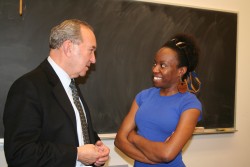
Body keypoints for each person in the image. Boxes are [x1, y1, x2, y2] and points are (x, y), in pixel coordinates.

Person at [3, 19, 110, 167]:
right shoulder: (28, 87)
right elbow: (20, 153)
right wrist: (77, 154)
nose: (93, 59)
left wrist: (96, 147)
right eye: (91, 50)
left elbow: (73, 130)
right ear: (68, 47)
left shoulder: (71, 85)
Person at [114, 33, 202, 167]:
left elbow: (167, 154)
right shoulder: (143, 96)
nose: (155, 69)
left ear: (181, 71)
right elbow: (119, 140)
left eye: (163, 65)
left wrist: (133, 137)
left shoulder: (190, 105)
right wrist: (151, 159)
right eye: (155, 63)